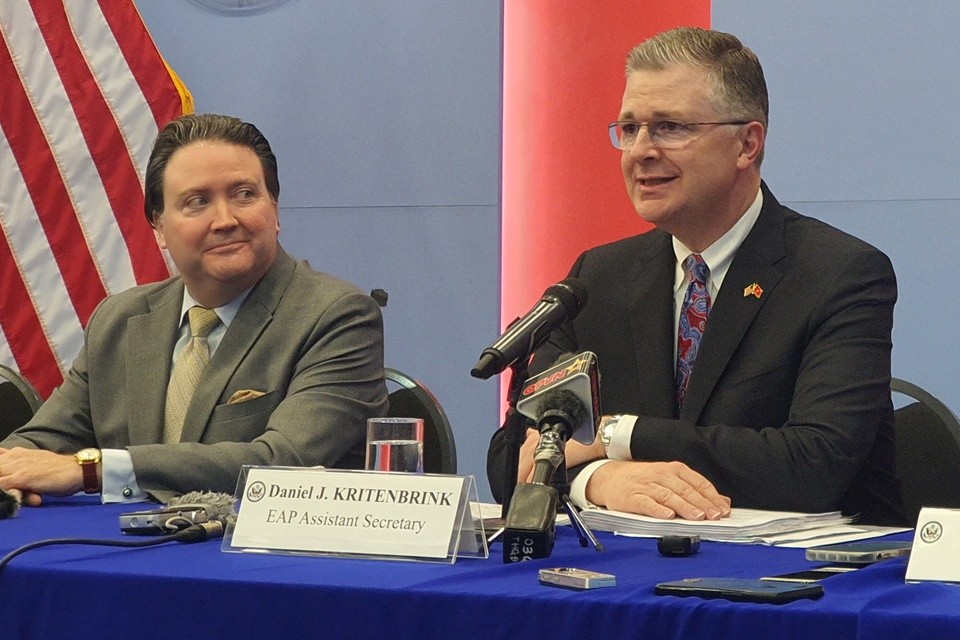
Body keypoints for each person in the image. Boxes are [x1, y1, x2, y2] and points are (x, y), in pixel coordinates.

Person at [488, 27, 907, 526]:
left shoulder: (839, 273)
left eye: (669, 127)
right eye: (629, 128)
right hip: (638, 571)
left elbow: (814, 464)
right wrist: (598, 480)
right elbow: (512, 458)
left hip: (808, 585)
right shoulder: (597, 277)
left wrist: (618, 435)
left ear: (747, 144)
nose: (640, 150)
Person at [0, 113, 387, 506]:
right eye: (197, 202)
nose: (225, 220)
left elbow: (283, 463)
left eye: (244, 194)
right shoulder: (120, 319)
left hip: (256, 562)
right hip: (121, 554)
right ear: (159, 228)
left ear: (275, 209)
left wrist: (93, 469)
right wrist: (12, 476)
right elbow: (38, 444)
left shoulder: (336, 317)